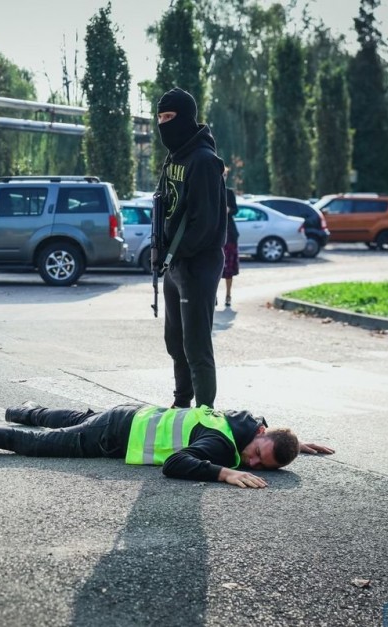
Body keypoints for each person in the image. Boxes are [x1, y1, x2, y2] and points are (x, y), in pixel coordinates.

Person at [0, 402, 334, 488]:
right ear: (260, 438)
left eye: (260, 467)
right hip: (114, 435)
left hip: (128, 414)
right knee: (31, 446)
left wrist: (297, 444)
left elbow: (266, 431)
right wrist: (223, 473)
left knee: (70, 419)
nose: (251, 464)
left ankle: (24, 407)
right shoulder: (224, 449)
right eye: (257, 456)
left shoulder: (246, 421)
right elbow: (176, 464)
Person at [154, 87, 228, 409]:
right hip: (175, 264)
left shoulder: (204, 161)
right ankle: (181, 404)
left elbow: (205, 223)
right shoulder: (174, 157)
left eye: (169, 118)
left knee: (196, 345)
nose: (163, 124)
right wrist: (162, 252)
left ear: (185, 118)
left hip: (198, 265)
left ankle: (205, 414)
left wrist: (175, 252)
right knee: (175, 341)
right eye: (159, 118)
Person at [221, 185, 240, 308]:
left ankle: (228, 295)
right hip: (213, 233)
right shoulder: (209, 189)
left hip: (229, 234)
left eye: (225, 175)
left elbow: (235, 209)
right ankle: (213, 295)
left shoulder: (229, 192)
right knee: (211, 269)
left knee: (228, 269)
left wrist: (229, 209)